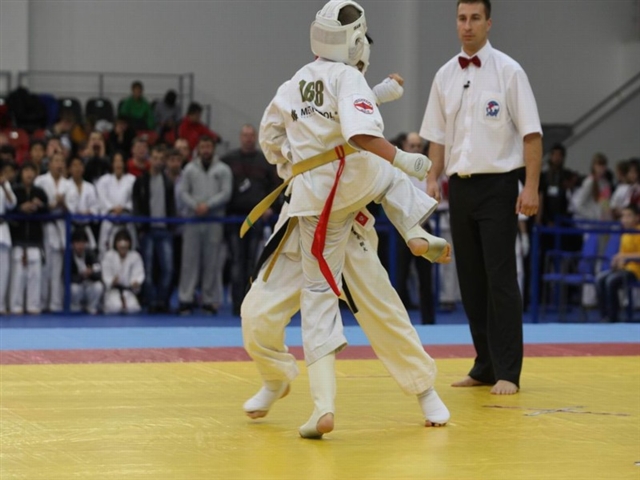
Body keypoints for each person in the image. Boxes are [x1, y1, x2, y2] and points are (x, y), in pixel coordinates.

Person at [258, 0, 450, 437]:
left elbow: (274, 135)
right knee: (385, 173)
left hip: (313, 202)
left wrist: (293, 160)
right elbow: (358, 128)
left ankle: (323, 406)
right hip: (355, 187)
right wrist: (404, 157)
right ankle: (413, 227)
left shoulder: (294, 83)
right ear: (356, 41)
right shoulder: (348, 77)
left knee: (318, 298)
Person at [421, 0, 543, 395]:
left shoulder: (509, 71)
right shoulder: (444, 75)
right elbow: (436, 137)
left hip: (499, 185)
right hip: (460, 187)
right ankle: (485, 364)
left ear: (488, 23)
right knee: (471, 280)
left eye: (475, 18)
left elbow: (532, 135)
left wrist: (531, 187)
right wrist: (432, 177)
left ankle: (508, 370)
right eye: (462, 18)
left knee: (500, 278)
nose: (468, 25)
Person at [221, 124, 281, 315]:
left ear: (255, 137)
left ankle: (249, 304)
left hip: (257, 219)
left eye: (251, 135)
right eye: (245, 135)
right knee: (236, 262)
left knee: (252, 262)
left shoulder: (265, 161)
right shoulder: (228, 160)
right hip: (234, 219)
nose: (248, 138)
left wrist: (271, 207)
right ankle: (236, 304)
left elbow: (276, 187)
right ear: (240, 137)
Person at [176, 135, 232, 315]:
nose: (206, 150)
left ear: (213, 148)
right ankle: (186, 298)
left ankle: (209, 300)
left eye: (208, 147)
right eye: (203, 147)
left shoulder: (223, 169)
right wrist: (195, 206)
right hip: (193, 220)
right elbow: (183, 192)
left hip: (214, 220)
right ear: (198, 149)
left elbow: (226, 193)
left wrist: (208, 205)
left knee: (212, 262)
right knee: (189, 261)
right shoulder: (189, 169)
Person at [132, 145, 176, 313]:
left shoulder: (168, 182)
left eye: (161, 159)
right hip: (148, 230)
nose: (158, 162)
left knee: (168, 269)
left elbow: (172, 205)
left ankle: (162, 301)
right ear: (150, 159)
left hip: (164, 229)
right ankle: (151, 302)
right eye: (155, 158)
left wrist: (171, 225)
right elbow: (137, 204)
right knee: (148, 269)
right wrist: (141, 227)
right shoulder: (141, 181)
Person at [34, 151, 73, 312]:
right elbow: (37, 204)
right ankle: (42, 302)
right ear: (49, 164)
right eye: (56, 161)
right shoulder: (40, 181)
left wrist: (62, 204)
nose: (59, 164)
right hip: (44, 227)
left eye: (62, 161)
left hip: (61, 228)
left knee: (57, 270)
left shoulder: (68, 184)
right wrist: (50, 205)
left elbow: (72, 209)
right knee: (44, 268)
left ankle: (55, 304)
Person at [9, 162, 49, 314]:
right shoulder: (14, 191)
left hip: (35, 240)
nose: (29, 174)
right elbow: (7, 208)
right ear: (21, 173)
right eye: (26, 170)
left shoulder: (40, 192)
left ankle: (33, 305)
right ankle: (16, 306)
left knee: (35, 276)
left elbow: (47, 209)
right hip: (18, 239)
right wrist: (20, 208)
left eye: (32, 171)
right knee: (18, 277)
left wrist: (39, 206)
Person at [595, 205, 640, 323]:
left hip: (636, 270)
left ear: (637, 217)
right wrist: (616, 261)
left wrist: (625, 257)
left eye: (629, 216)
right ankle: (604, 316)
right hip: (624, 269)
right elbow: (622, 254)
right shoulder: (625, 234)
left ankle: (613, 317)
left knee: (611, 281)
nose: (625, 219)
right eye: (623, 216)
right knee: (600, 278)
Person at [95, 152, 137, 257]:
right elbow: (101, 198)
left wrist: (123, 208)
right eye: (116, 161)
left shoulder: (132, 180)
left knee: (130, 252)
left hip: (126, 221)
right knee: (105, 251)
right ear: (112, 164)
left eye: (120, 161)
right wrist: (112, 208)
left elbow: (134, 200)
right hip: (109, 220)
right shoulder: (104, 180)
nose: (118, 164)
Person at [101, 229, 145, 314]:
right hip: (113, 291)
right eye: (120, 241)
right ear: (115, 243)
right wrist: (112, 281)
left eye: (125, 241)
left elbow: (139, 273)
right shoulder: (109, 256)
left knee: (133, 308)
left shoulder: (135, 256)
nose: (123, 244)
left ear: (129, 243)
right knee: (115, 307)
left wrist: (136, 282)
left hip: (128, 291)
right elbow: (106, 275)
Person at [69, 229, 104, 314]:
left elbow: (98, 272)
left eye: (82, 243)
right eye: (77, 243)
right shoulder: (69, 256)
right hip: (78, 285)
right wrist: (81, 276)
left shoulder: (91, 254)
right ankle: (75, 307)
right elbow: (67, 276)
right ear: (73, 244)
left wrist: (91, 273)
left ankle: (92, 307)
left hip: (89, 284)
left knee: (98, 286)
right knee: (73, 288)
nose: (80, 246)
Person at [0, 160, 17, 314]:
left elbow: (12, 204)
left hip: (2, 230)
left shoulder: (4, 184)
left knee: (3, 272)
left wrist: (4, 186)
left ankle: (1, 305)